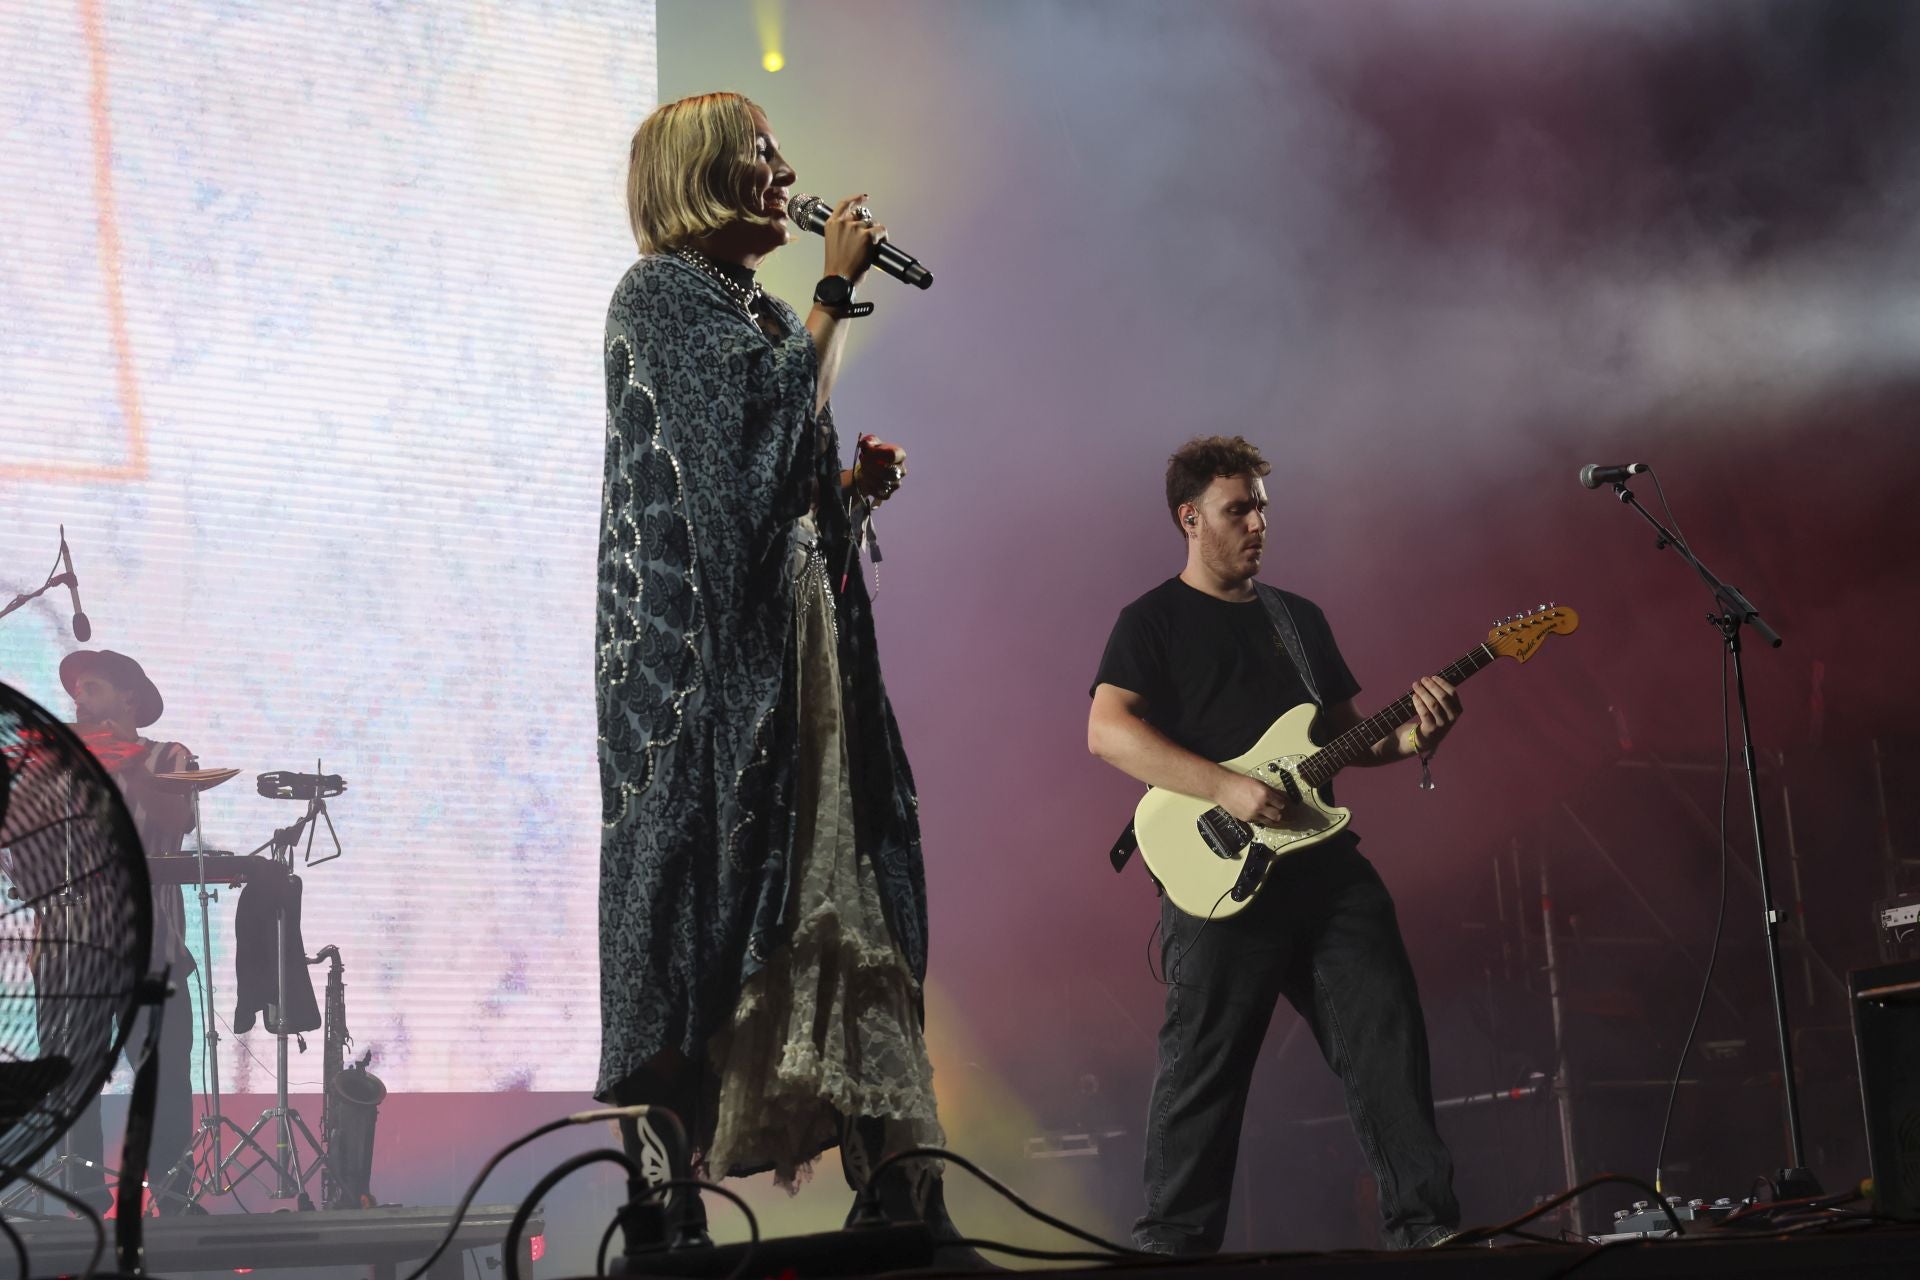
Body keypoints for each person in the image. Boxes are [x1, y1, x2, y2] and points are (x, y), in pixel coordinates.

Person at [595, 91, 950, 1229]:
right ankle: (665, 1209)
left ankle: (905, 1192)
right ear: (703, 172)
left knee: (850, 892)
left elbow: (773, 466)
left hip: (799, 657)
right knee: (703, 903)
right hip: (704, 686)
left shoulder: (744, 307)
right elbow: (726, 479)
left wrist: (844, 495)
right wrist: (835, 293)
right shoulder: (659, 295)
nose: (788, 170)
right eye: (761, 152)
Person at [1087, 435, 1464, 1253]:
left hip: (1323, 864)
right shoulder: (1150, 622)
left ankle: (1426, 1228)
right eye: (1239, 508)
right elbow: (1107, 732)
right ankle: (1172, 1247)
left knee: (1385, 1033)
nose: (1259, 521)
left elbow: (1342, 739)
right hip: (1221, 866)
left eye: (1262, 505)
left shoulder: (1299, 620)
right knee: (1205, 1069)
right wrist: (1224, 786)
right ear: (1191, 519)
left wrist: (1416, 737)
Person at [56, 649, 199, 1212]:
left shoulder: (169, 754)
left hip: (153, 951)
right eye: (76, 690)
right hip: (75, 952)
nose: (79, 698)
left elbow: (175, 822)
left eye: (92, 687)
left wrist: (128, 759)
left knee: (163, 1080)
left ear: (130, 699)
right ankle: (82, 1204)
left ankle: (171, 1196)